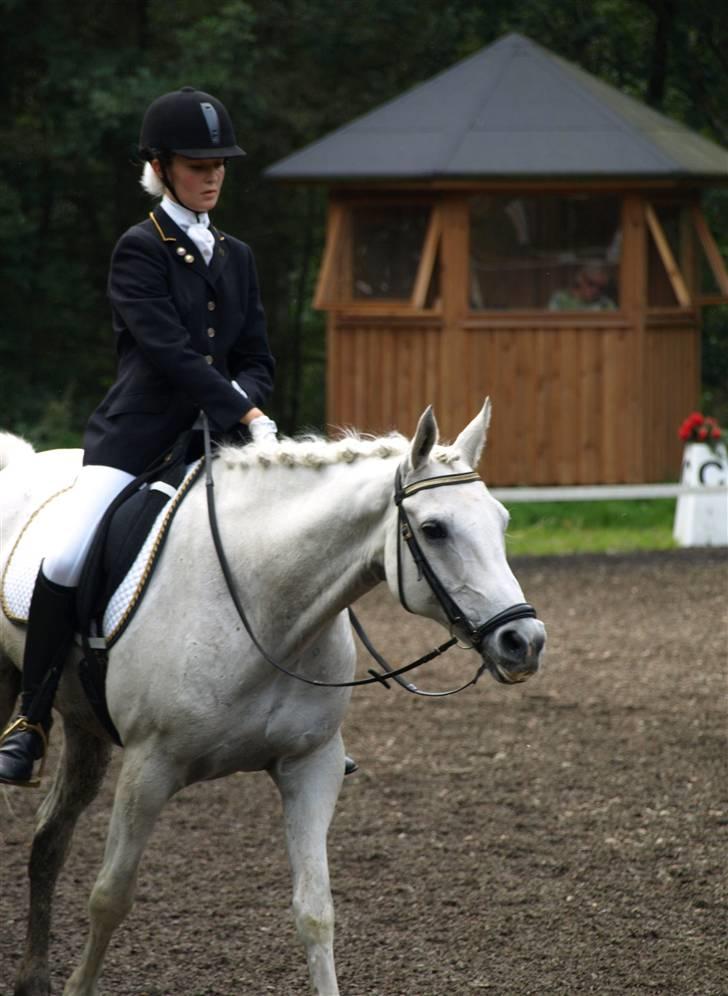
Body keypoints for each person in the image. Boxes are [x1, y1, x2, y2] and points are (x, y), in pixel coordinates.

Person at [0, 86, 277, 787]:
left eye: (219, 165)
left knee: (289, 546)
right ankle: (31, 720)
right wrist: (244, 415)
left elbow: (257, 358)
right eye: (197, 165)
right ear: (160, 166)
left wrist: (244, 404)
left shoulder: (237, 255)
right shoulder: (139, 249)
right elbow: (170, 355)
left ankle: (291, 712)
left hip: (217, 445)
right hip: (135, 439)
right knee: (65, 556)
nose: (212, 176)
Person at [548, 262, 616, 311]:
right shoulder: (560, 299)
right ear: (580, 279)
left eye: (601, 287)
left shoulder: (606, 304)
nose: (595, 290)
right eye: (591, 283)